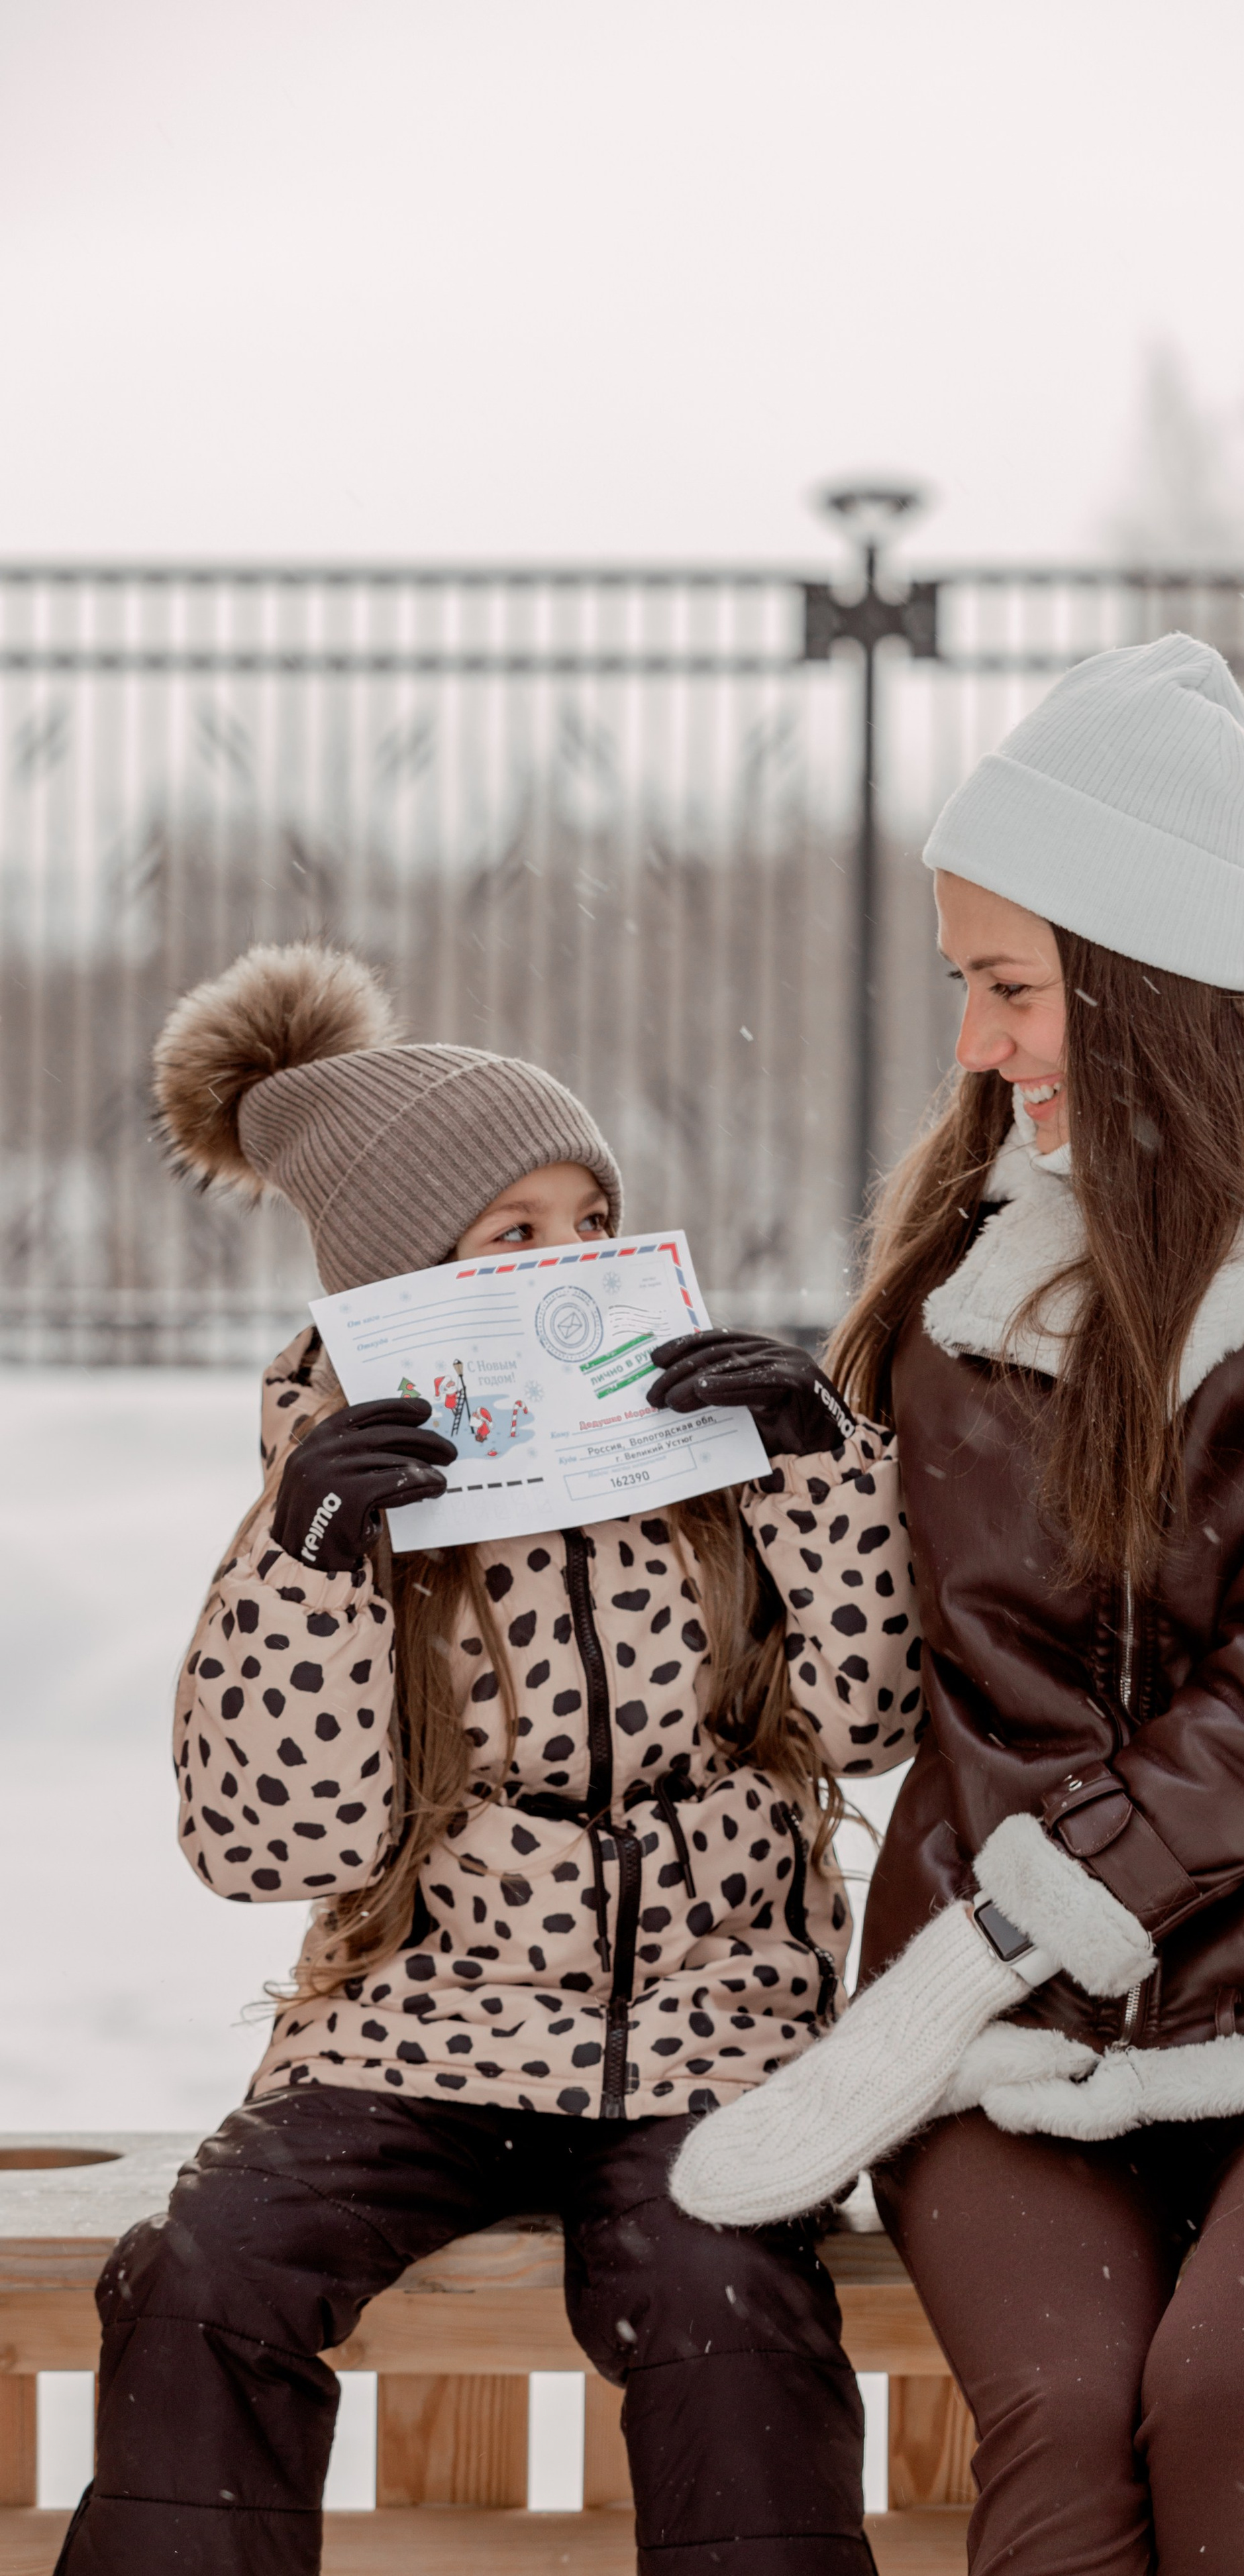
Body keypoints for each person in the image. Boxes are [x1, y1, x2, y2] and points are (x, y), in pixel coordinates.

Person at [671, 636, 1244, 2575]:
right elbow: (886, 1679)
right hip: (1003, 2024)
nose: (979, 1048)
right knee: (1067, 2433)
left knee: (1230, 2412)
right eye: (965, 991)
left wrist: (1000, 1935)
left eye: (1011, 989)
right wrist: (778, 1490)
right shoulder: (977, 1258)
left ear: (1143, 980)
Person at [60, 941, 920, 2576]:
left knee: (717, 2287)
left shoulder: (715, 1471)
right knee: (206, 2271)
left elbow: (871, 1723)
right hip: (419, 2021)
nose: (567, 1269)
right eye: (509, 1238)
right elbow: (269, 1846)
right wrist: (317, 1560)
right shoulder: (323, 1505)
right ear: (401, 1293)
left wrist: (817, 1466)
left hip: (705, 2011)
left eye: (587, 1226)